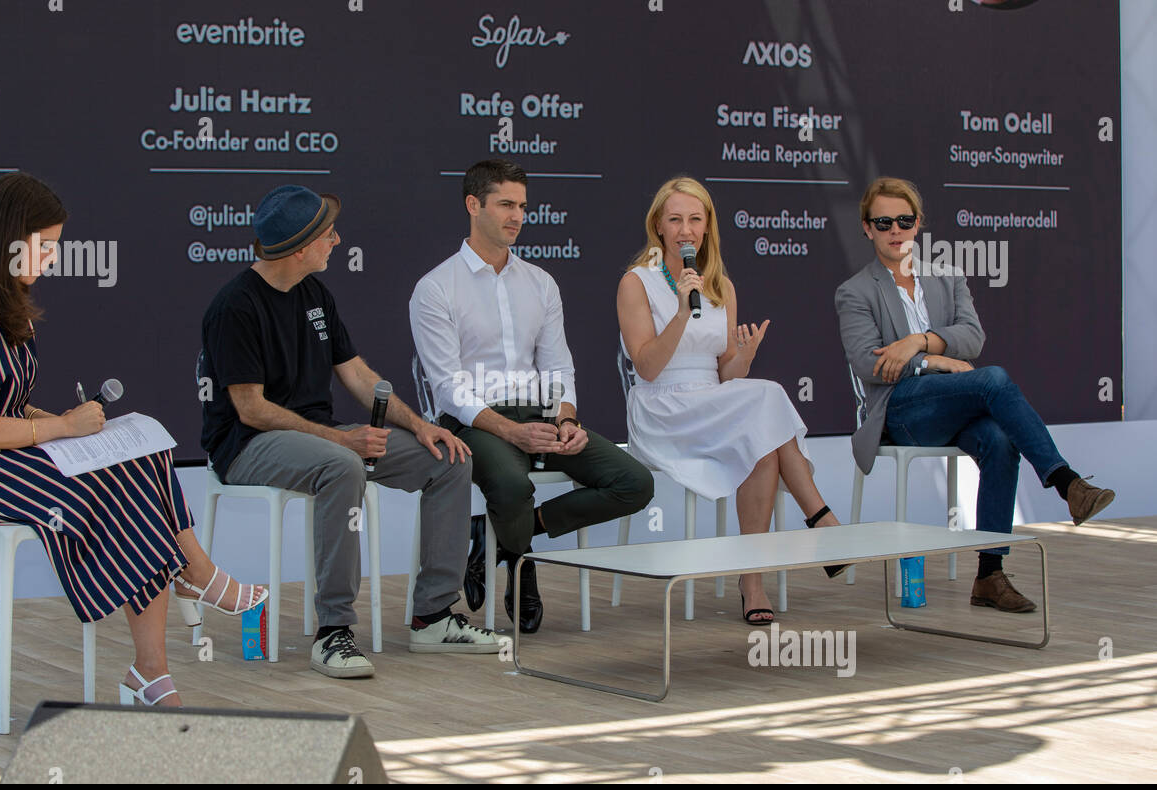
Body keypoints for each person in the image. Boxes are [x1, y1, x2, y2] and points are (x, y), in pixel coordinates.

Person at [0, 171, 266, 708]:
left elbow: (10, 402)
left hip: (10, 456)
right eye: (46, 245)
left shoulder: (5, 307)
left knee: (141, 454)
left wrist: (71, 424)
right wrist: (62, 429)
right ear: (11, 240)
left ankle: (157, 656)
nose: (53, 259)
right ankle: (190, 585)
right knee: (116, 487)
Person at [202, 184, 499, 680]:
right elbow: (250, 409)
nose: (338, 241)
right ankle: (333, 632)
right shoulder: (235, 306)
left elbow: (357, 374)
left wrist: (421, 424)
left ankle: (433, 617)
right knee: (341, 466)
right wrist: (341, 440)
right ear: (300, 248)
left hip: (318, 435)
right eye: (328, 234)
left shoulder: (315, 292)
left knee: (450, 458)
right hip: (245, 446)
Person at [836, 176, 1115, 612]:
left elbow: (973, 337)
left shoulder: (946, 277)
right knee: (993, 380)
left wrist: (917, 341)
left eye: (904, 221)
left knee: (1001, 443)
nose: (896, 230)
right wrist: (937, 360)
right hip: (900, 410)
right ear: (867, 228)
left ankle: (989, 575)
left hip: (948, 403)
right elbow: (867, 363)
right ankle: (1066, 483)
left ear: (918, 224)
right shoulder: (854, 292)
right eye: (884, 221)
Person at [411, 159, 655, 634]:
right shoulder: (436, 288)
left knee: (633, 482)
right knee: (511, 486)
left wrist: (566, 420)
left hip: (541, 416)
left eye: (522, 206)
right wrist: (510, 431)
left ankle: (494, 540)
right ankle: (523, 569)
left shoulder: (541, 283)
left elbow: (558, 365)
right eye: (505, 204)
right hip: (474, 422)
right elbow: (449, 387)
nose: (517, 216)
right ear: (472, 205)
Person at [616, 176, 845, 626]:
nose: (686, 229)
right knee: (769, 402)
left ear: (707, 228)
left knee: (762, 445)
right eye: (676, 219)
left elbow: (726, 376)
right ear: (658, 226)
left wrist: (746, 355)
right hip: (662, 409)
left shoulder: (721, 285)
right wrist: (682, 313)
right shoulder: (636, 282)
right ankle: (821, 519)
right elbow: (646, 366)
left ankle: (752, 581)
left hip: (711, 403)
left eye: (695, 220)